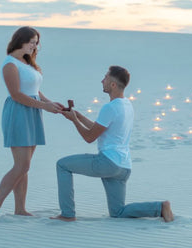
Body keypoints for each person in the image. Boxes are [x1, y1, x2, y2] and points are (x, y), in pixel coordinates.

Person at [51, 66, 174, 222]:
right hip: (123, 167)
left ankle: (67, 214)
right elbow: (98, 128)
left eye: (106, 78)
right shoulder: (126, 104)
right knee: (118, 212)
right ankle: (160, 207)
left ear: (113, 84)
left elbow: (89, 137)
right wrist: (78, 116)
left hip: (107, 163)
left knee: (62, 165)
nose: (102, 81)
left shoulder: (109, 108)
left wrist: (74, 121)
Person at [0, 26, 64, 221]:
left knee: (24, 166)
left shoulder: (27, 63)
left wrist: (49, 102)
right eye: (32, 42)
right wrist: (44, 107)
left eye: (37, 43)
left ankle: (20, 208)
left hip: (33, 111)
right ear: (20, 40)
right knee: (22, 165)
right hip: (19, 112)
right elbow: (17, 94)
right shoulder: (10, 64)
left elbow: (34, 89)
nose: (35, 46)